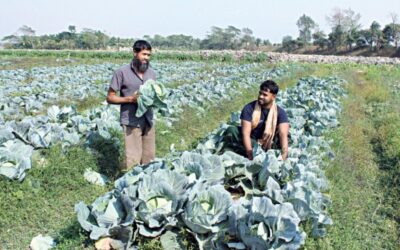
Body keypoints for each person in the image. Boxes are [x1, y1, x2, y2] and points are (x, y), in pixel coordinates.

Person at [106, 40, 157, 171]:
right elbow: (110, 97)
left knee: (149, 157)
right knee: (133, 158)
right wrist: (130, 99)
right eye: (144, 54)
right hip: (131, 120)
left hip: (148, 119)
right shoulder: (121, 72)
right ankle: (131, 187)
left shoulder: (151, 73)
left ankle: (147, 185)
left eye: (148, 55)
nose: (146, 58)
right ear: (135, 52)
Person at [223, 80, 290, 160]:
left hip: (269, 143)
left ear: (273, 97)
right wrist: (251, 155)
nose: (261, 96)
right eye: (260, 93)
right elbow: (246, 134)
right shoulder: (249, 108)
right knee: (232, 130)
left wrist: (283, 156)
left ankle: (268, 154)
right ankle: (249, 153)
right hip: (253, 142)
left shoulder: (280, 112)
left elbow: (283, 134)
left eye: (265, 95)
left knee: (286, 136)